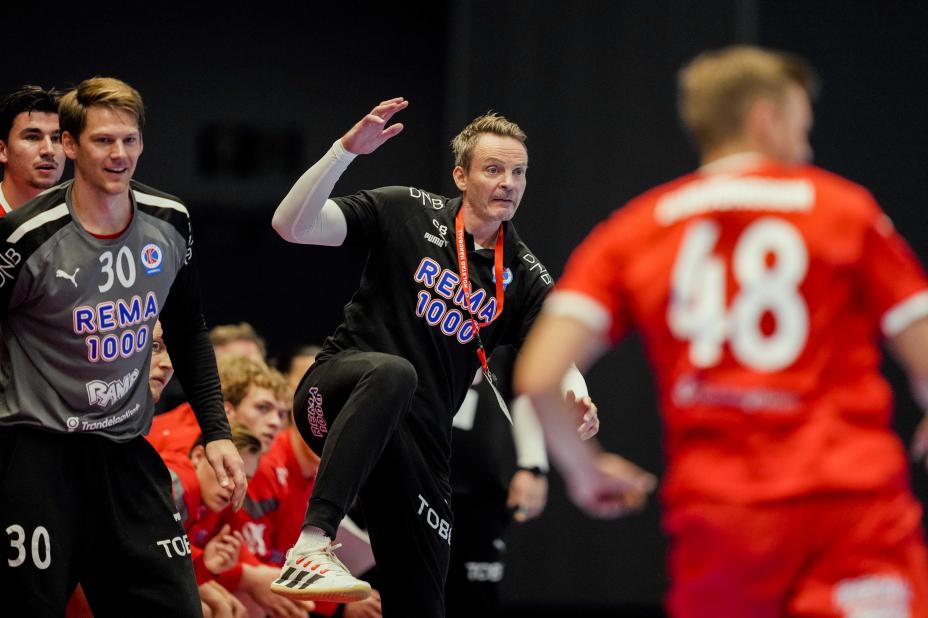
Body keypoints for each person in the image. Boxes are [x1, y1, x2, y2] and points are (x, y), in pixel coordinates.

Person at [515, 45, 928, 617]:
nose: (806, 148)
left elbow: (538, 375)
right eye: (802, 127)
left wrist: (585, 473)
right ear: (766, 118)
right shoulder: (843, 209)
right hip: (849, 506)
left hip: (723, 518)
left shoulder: (636, 228)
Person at [267, 98, 608, 616]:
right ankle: (312, 544)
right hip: (332, 400)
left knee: (424, 603)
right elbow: (291, 225)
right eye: (493, 170)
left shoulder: (524, 274)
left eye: (518, 172)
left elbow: (558, 353)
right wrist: (343, 153)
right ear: (460, 175)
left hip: (416, 449)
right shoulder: (405, 209)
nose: (508, 183)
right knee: (394, 372)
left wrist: (577, 395)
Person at [0, 76, 245, 617]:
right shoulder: (25, 237)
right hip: (38, 460)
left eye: (129, 140)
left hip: (126, 452)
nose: (119, 154)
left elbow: (187, 328)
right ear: (70, 144)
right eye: (103, 141)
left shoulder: (170, 221)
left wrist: (217, 432)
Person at [0, 85, 65, 213]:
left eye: (56, 138)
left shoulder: (82, 218)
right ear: (2, 150)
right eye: (32, 137)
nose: (49, 150)